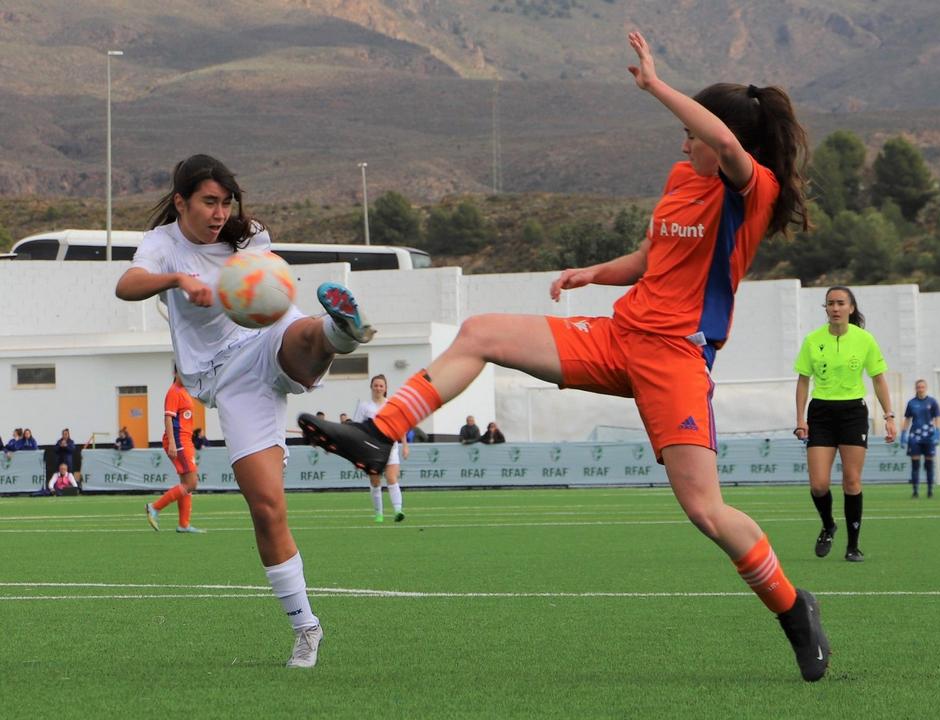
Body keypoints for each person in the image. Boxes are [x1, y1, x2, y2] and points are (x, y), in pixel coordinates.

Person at [299, 32, 829, 682]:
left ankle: (793, 609)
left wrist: (656, 86)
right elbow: (653, 258)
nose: (681, 144)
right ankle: (380, 434)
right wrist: (593, 273)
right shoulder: (680, 180)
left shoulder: (753, 189)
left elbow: (721, 142)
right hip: (619, 337)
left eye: (688, 133)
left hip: (677, 361)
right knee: (482, 331)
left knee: (705, 512)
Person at [115, 153, 375, 668]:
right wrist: (177, 281)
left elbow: (270, 287)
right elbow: (127, 285)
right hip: (225, 379)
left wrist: (260, 287)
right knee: (266, 507)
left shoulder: (248, 235)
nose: (220, 213)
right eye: (209, 202)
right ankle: (306, 628)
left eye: (226, 202)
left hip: (268, 333)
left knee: (300, 331)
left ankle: (339, 331)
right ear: (181, 202)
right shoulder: (163, 245)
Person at [794, 286, 896, 564]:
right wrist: (800, 419)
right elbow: (803, 381)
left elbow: (878, 379)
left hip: (853, 412)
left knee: (851, 481)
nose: (835, 308)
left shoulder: (865, 339)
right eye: (830, 303)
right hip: (821, 412)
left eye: (840, 303)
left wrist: (889, 416)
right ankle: (828, 525)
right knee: (819, 485)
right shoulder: (812, 340)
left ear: (851, 308)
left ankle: (853, 546)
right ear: (826, 308)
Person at [146, 368, 205, 534]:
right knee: (191, 483)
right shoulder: (174, 392)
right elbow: (168, 418)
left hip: (185, 441)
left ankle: (183, 524)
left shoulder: (184, 391)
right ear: (176, 374)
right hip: (179, 442)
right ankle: (154, 507)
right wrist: (172, 442)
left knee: (186, 483)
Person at [352, 374, 408, 522]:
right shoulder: (364, 407)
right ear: (371, 387)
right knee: (375, 481)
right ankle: (379, 514)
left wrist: (405, 445)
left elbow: (400, 426)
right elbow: (356, 429)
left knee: (391, 478)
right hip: (372, 449)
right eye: (376, 385)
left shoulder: (392, 405)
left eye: (381, 386)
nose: (378, 388)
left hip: (390, 448)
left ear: (385, 388)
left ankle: (398, 511)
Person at [901, 379, 940, 498]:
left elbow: (938, 417)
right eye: (918, 387)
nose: (920, 389)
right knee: (915, 464)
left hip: (929, 436)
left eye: (922, 387)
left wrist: (938, 432)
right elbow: (907, 419)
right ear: (916, 388)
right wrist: (903, 433)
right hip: (915, 436)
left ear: (926, 388)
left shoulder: (932, 402)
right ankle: (915, 491)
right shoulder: (911, 403)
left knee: (929, 464)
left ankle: (930, 490)